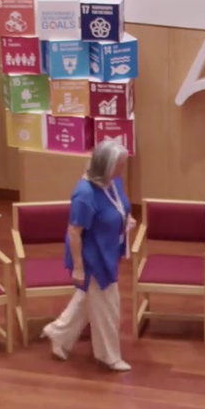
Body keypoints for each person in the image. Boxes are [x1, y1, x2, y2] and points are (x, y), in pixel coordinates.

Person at [42, 140, 135, 371]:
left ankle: (58, 333)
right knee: (108, 306)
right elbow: (74, 232)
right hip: (92, 258)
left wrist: (125, 220)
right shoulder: (84, 194)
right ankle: (108, 356)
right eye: (119, 165)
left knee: (89, 299)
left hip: (108, 250)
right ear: (106, 166)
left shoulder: (113, 181)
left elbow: (119, 207)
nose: (122, 169)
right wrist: (79, 268)